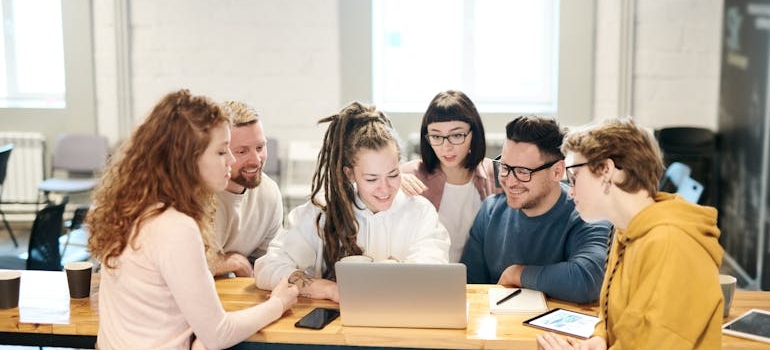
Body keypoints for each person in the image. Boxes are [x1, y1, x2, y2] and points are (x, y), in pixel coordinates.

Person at [86, 89, 298, 349]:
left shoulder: (138, 207)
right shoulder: (175, 226)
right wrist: (278, 303)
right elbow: (218, 334)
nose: (231, 160)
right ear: (188, 159)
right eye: (222, 152)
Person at [536, 117, 723, 350]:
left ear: (607, 170)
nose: (570, 191)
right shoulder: (628, 231)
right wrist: (599, 339)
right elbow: (623, 322)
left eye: (575, 177)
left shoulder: (670, 243)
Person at [253, 102, 450, 302]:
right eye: (371, 179)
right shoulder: (322, 212)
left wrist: (394, 270)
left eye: (393, 174)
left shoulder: (418, 211)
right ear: (350, 174)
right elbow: (268, 267)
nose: (384, 188)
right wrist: (328, 289)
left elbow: (434, 267)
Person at [460, 115, 611, 304]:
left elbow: (590, 280)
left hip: (557, 332)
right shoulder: (490, 212)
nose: (510, 181)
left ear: (557, 171)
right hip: (499, 330)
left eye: (523, 172)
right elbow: (467, 287)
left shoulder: (588, 215)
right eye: (505, 167)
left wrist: (518, 273)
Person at [400, 90, 500, 262]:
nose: (446, 147)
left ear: (473, 134)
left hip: (482, 283)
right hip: (428, 280)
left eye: (456, 135)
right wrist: (392, 181)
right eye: (436, 136)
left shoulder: (497, 174)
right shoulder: (409, 174)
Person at [213, 100, 283, 277]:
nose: (256, 160)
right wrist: (230, 262)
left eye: (260, 147)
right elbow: (180, 268)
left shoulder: (269, 193)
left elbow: (272, 261)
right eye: (242, 151)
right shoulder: (194, 195)